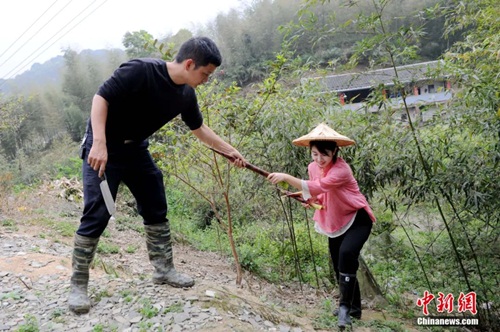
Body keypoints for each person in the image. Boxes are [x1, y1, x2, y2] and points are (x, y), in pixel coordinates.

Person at [69, 36, 246, 314]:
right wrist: (99, 143)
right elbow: (100, 98)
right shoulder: (141, 71)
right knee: (97, 212)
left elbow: (199, 129)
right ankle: (78, 284)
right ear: (189, 64)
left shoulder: (186, 94)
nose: (206, 80)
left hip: (136, 150)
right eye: (205, 74)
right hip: (103, 147)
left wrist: (229, 150)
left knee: (155, 204)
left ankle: (163, 269)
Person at [266, 123, 375, 329]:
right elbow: (317, 193)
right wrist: (309, 200)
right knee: (338, 262)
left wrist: (287, 178)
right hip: (335, 219)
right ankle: (354, 308)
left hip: (357, 218)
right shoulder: (313, 167)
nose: (319, 159)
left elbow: (319, 186)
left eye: (324, 154)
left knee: (346, 254)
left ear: (335, 151)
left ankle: (344, 309)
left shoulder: (341, 169)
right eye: (315, 154)